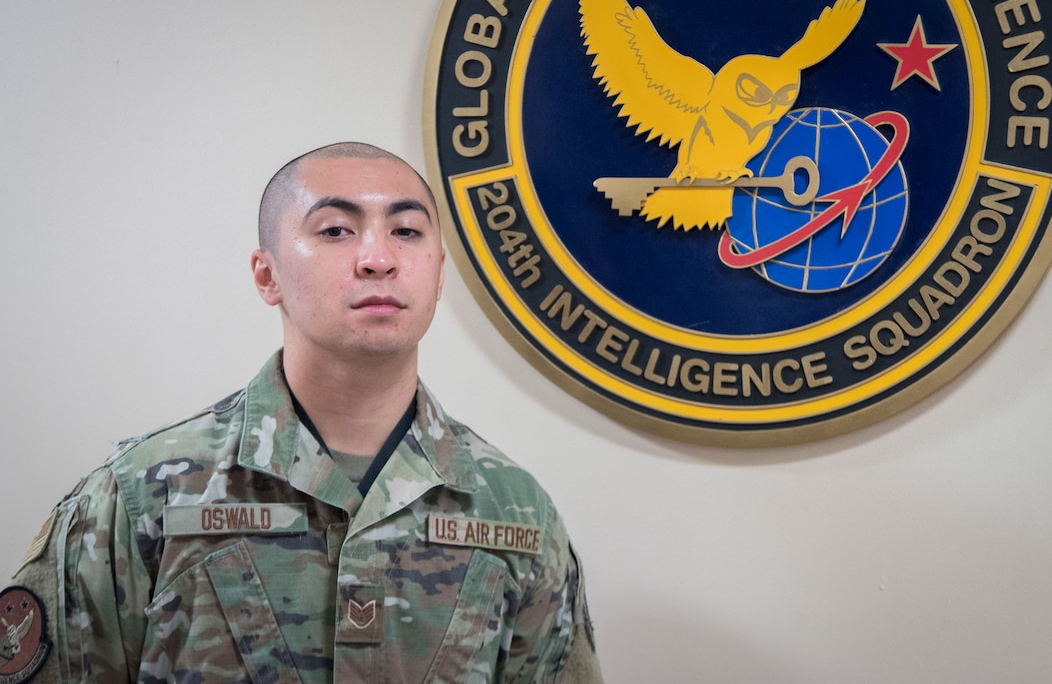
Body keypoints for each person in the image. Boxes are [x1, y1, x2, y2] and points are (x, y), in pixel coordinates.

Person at [1, 142, 602, 683]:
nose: (378, 259)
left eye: (408, 232)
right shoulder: (141, 497)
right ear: (268, 276)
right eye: (337, 230)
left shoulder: (516, 514)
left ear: (439, 274)